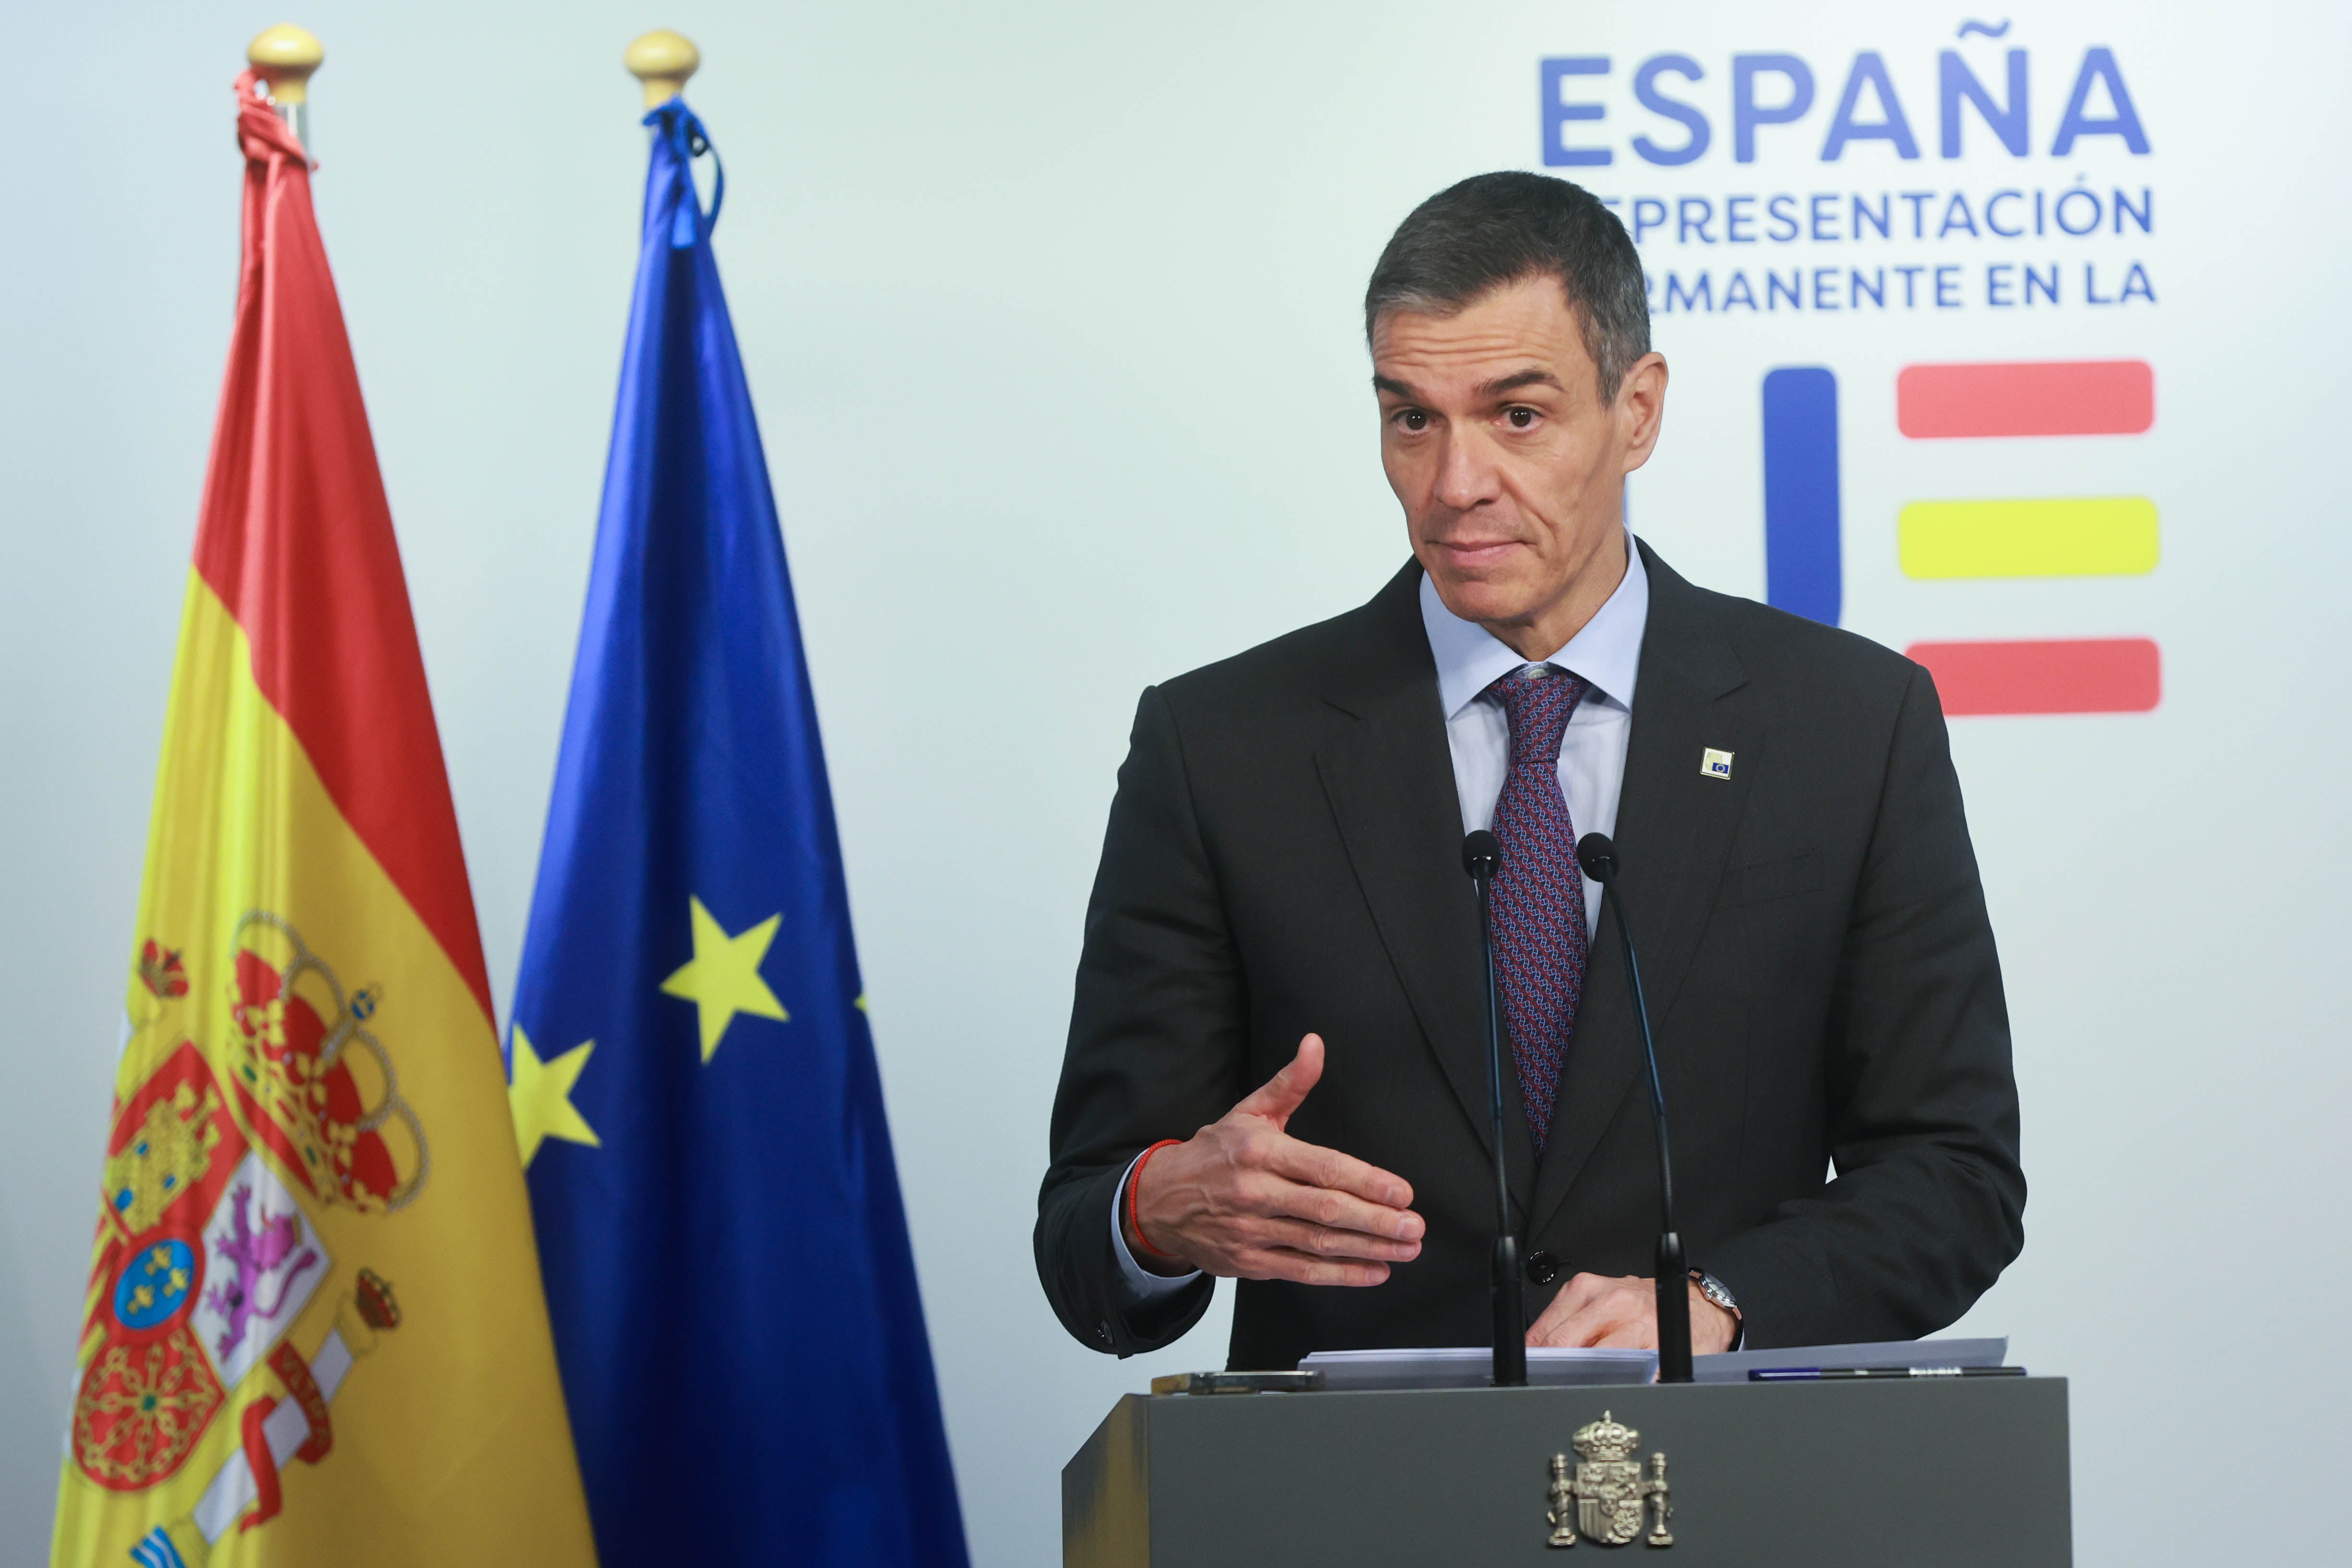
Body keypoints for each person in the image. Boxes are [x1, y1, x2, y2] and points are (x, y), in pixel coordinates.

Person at [1034, 171, 2024, 1372]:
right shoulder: (1220, 747)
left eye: (1516, 415)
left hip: (1731, 1494)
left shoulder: (1848, 726)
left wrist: (1722, 1297)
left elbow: (1953, 1174)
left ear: (1637, 409)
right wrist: (1154, 1209)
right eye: (1412, 418)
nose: (1453, 486)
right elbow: (1086, 1228)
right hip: (1350, 1506)